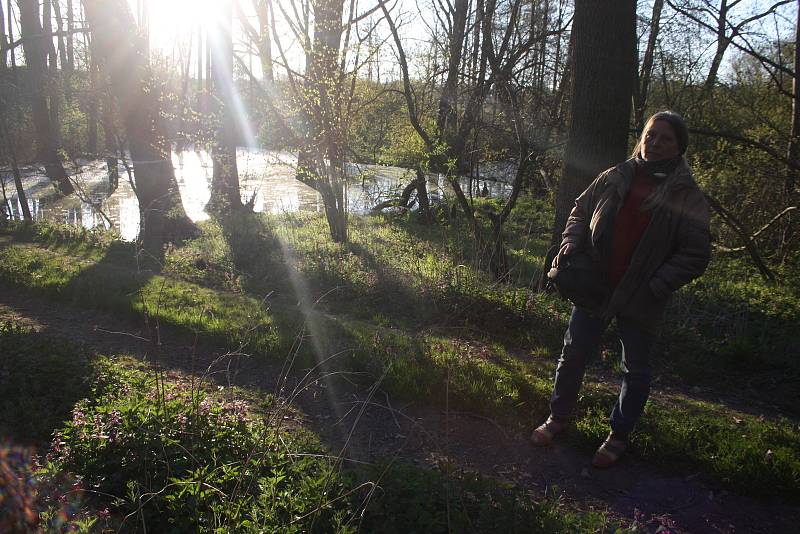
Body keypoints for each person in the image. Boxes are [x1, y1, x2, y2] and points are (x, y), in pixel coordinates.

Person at [531, 111, 711, 467]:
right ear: (642, 137)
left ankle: (618, 435)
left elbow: (696, 253)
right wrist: (571, 242)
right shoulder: (615, 175)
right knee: (573, 354)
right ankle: (559, 418)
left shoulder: (687, 195)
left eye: (666, 138)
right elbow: (579, 211)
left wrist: (658, 284)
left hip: (643, 297)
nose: (655, 142)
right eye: (651, 134)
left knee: (636, 369)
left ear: (679, 147)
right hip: (596, 286)